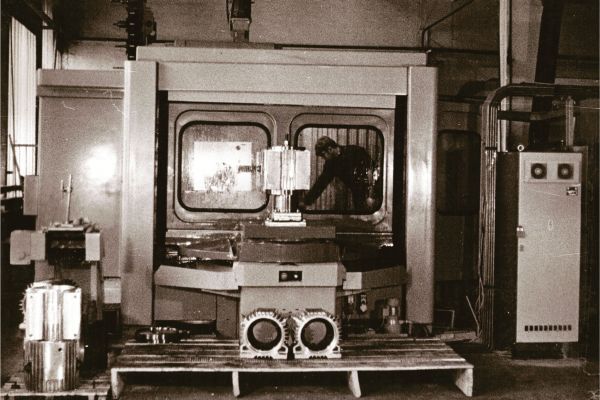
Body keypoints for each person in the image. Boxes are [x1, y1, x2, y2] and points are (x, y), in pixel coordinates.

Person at [302, 136, 373, 210]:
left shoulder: (355, 151)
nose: (323, 158)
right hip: (358, 195)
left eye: (323, 155)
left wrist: (370, 195)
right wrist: (306, 201)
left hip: (372, 191)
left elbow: (372, 170)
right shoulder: (330, 164)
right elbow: (320, 184)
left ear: (330, 149)